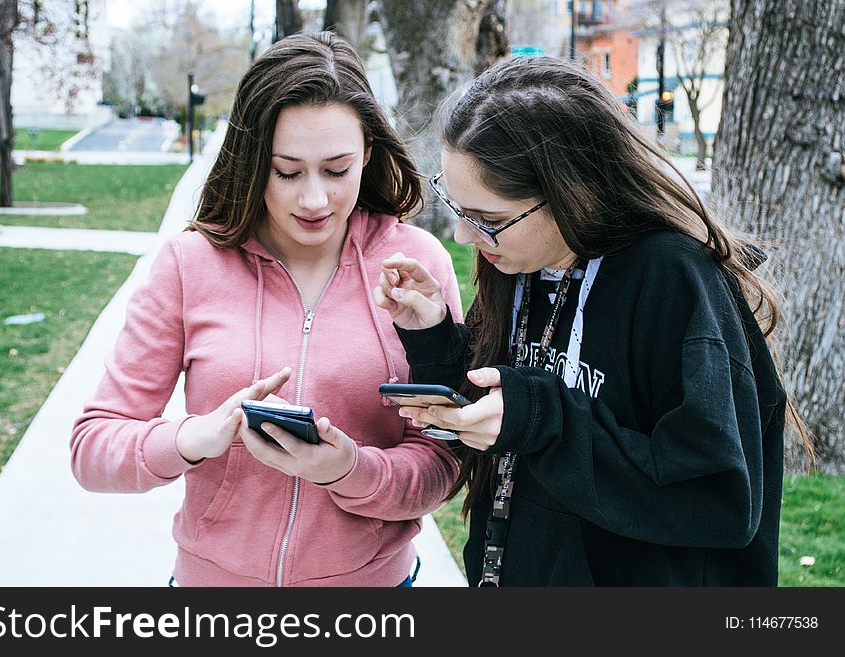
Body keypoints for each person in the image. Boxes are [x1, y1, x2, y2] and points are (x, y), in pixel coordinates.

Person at [374, 56, 813, 586]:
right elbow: (508, 405)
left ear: (570, 191)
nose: (466, 237)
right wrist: (437, 338)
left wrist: (541, 418)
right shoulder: (520, 262)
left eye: (487, 219)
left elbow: (718, 496)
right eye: (457, 207)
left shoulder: (673, 279)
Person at [70, 31, 462, 587]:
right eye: (287, 171)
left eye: (337, 168)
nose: (314, 200)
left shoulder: (417, 264)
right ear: (254, 160)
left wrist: (350, 471)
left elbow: (445, 460)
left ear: (368, 154)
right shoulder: (189, 263)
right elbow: (92, 449)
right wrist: (191, 439)